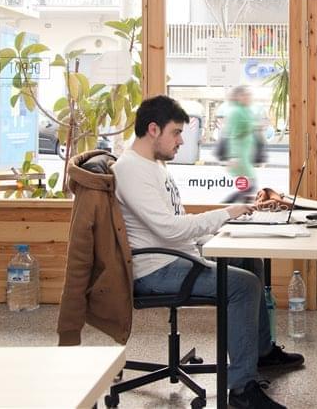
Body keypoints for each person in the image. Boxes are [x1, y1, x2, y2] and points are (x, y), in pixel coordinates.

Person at [113, 95, 303, 409]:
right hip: (155, 269)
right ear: (153, 129)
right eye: (176, 132)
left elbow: (176, 223)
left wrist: (223, 231)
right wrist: (225, 214)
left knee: (249, 261)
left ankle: (262, 353)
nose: (181, 140)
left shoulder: (154, 166)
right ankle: (242, 391)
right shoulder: (131, 170)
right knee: (244, 285)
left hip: (177, 255)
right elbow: (170, 230)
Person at [223, 85, 258, 203]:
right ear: (239, 97)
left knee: (247, 189)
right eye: (246, 94)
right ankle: (225, 206)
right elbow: (234, 135)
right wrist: (234, 156)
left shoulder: (245, 110)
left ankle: (229, 207)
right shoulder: (237, 112)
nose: (249, 97)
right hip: (240, 156)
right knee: (250, 187)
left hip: (244, 155)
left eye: (249, 94)